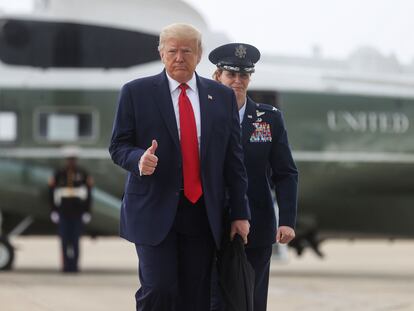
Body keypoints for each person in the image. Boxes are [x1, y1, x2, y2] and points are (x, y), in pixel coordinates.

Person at [109, 24, 250, 311]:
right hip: (154, 207)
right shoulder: (136, 92)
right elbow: (118, 146)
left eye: (187, 51)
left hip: (202, 212)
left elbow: (233, 161)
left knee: (196, 296)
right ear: (161, 53)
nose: (179, 58)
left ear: (199, 54)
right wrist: (138, 160)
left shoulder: (221, 97)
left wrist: (239, 213)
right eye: (172, 51)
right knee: (159, 289)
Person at [209, 43, 298, 311]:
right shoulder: (203, 116)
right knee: (213, 300)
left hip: (257, 226)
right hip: (211, 224)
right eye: (231, 74)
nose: (238, 81)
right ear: (218, 77)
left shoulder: (269, 119)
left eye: (244, 75)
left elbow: (286, 173)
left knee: (252, 300)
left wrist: (287, 220)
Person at [48, 146, 93, 273]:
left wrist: (87, 211)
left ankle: (74, 266)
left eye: (73, 159)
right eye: (69, 159)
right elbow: (51, 192)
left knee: (75, 240)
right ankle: (65, 266)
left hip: (77, 212)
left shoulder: (83, 173)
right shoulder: (59, 173)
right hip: (63, 212)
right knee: (64, 240)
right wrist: (54, 210)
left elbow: (89, 193)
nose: (71, 162)